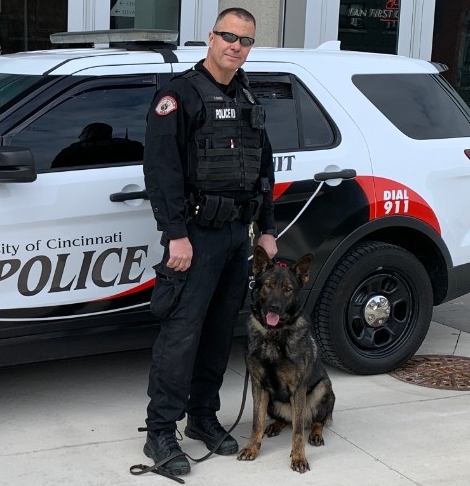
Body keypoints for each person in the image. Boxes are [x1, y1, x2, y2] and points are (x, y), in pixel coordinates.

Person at [140, 7, 278, 477]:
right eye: (228, 36)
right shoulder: (178, 95)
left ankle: (202, 417)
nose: (235, 46)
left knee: (220, 332)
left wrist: (268, 228)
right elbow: (162, 171)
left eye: (244, 40)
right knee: (181, 335)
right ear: (210, 38)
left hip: (237, 237)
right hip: (194, 237)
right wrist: (176, 233)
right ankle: (160, 431)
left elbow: (264, 167)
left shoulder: (245, 93)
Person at [51, 122, 144, 169]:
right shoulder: (132, 146)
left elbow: (55, 170)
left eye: (81, 136)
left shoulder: (71, 151)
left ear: (86, 134)